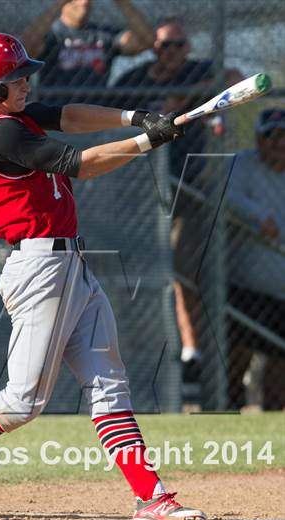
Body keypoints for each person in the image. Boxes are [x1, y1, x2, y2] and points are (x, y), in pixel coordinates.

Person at [0, 33, 206, 520]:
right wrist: (148, 142)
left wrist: (136, 118)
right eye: (16, 79)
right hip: (38, 270)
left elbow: (69, 115)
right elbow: (82, 165)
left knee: (108, 384)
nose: (27, 83)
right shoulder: (1, 134)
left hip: (68, 264)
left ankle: (151, 498)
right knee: (22, 401)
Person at [115, 17, 242, 384]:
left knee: (182, 269)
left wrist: (185, 98)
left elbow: (233, 77)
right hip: (139, 193)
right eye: (165, 46)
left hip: (187, 189)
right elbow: (105, 112)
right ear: (152, 48)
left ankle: (191, 349)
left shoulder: (200, 70)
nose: (173, 53)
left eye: (179, 45)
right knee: (133, 273)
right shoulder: (133, 81)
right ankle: (134, 350)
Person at [226, 109, 285, 410]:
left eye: (284, 136)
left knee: (279, 370)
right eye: (272, 135)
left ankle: (274, 434)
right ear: (259, 139)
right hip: (245, 288)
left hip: (281, 294)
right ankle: (227, 425)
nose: (279, 143)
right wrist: (260, 217)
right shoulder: (243, 164)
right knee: (235, 360)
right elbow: (228, 196)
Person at [21, 0, 154, 104]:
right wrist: (59, 4)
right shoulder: (52, 35)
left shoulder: (103, 34)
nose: (84, 2)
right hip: (56, 112)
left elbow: (147, 40)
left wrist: (122, 2)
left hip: (96, 113)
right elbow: (26, 46)